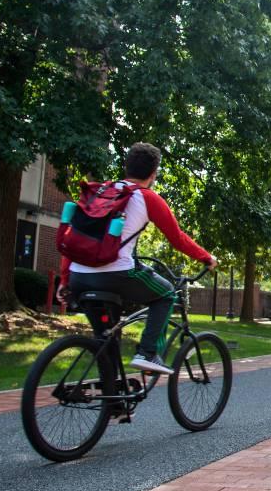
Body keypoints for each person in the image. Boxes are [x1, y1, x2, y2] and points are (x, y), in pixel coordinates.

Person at [58, 142, 216, 375]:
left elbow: (76, 239)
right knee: (166, 294)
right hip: (117, 274)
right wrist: (207, 257)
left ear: (127, 167)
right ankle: (148, 353)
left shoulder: (101, 193)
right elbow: (177, 238)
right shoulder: (147, 198)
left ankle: (115, 406)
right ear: (153, 174)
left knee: (106, 339)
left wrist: (65, 279)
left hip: (79, 277)